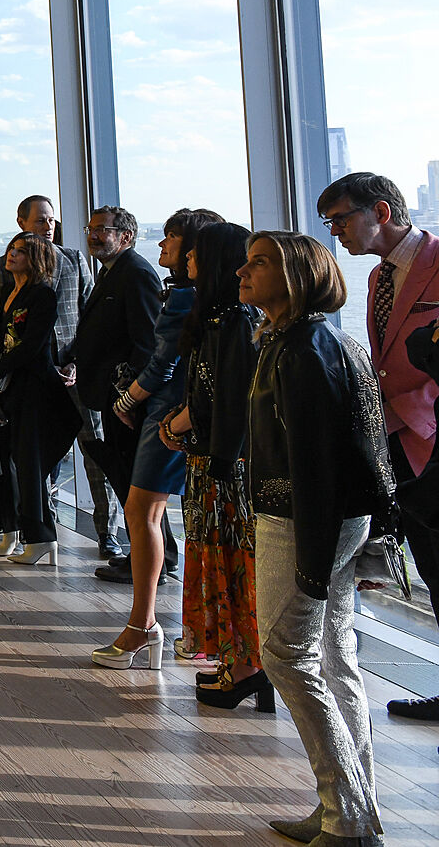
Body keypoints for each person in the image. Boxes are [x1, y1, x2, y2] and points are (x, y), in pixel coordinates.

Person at [241, 231, 395, 847]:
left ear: (298, 276)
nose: (243, 273)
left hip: (301, 519)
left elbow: (315, 461)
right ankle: (350, 808)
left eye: (260, 263)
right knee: (334, 659)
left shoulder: (304, 347)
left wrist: (310, 562)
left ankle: (347, 814)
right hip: (320, 518)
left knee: (287, 655)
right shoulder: (303, 340)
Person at [316, 172, 439, 724]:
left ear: (381, 212)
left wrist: (416, 417)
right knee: (433, 566)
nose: (336, 231)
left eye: (341, 218)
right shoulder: (378, 279)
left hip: (430, 433)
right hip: (398, 440)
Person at [92, 209, 221, 667]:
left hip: (168, 415)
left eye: (171, 239)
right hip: (189, 417)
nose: (163, 246)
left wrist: (128, 401)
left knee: (141, 512)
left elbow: (162, 360)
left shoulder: (187, 296)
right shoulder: (210, 297)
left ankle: (142, 625)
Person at [154, 222, 266, 709]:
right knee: (217, 560)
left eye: (197, 253)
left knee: (233, 564)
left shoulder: (236, 321)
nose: (188, 259)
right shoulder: (220, 317)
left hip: (228, 468)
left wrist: (181, 427)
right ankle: (232, 661)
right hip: (211, 461)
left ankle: (245, 667)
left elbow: (232, 403)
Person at [0, 195, 103, 548]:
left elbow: (89, 315)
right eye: (40, 221)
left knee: (94, 448)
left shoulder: (74, 260)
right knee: (33, 456)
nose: (48, 226)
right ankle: (42, 529)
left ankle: (107, 533)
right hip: (30, 379)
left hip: (71, 371)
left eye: (51, 220)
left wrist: (78, 363)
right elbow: (2, 327)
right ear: (22, 223)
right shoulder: (2, 267)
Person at [68, 206, 162, 571]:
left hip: (125, 401)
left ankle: (155, 556)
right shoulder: (111, 273)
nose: (92, 235)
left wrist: (130, 398)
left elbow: (147, 342)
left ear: (125, 236)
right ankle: (148, 554)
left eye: (102, 230)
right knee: (128, 482)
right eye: (90, 228)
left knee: (136, 484)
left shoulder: (135, 274)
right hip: (109, 396)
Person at [0, 232, 75, 566]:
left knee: (28, 462)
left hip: (34, 387)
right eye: (11, 249)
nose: (12, 255)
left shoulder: (42, 295)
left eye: (20, 251)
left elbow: (33, 346)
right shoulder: (9, 290)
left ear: (35, 259)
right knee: (1, 461)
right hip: (8, 387)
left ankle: (40, 537)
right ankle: (9, 532)